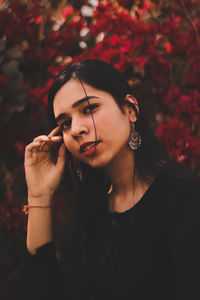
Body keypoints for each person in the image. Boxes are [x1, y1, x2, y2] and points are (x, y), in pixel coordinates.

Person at [24, 59, 200, 300]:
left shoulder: (184, 200)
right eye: (65, 123)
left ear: (130, 109)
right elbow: (45, 290)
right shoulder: (94, 202)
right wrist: (39, 196)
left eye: (88, 109)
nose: (76, 129)